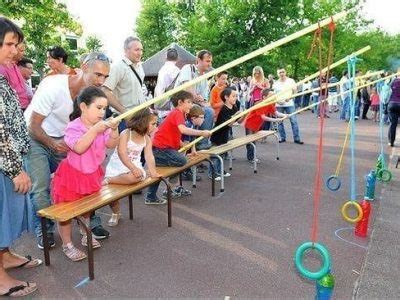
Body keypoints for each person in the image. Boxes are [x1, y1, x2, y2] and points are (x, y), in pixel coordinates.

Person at [25, 51, 112, 249]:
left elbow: (110, 100)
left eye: (105, 76)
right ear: (83, 67)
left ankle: (89, 225)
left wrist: (131, 114)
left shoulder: (94, 94)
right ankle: (45, 229)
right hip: (38, 136)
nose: (101, 80)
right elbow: (33, 125)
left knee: (83, 180)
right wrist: (52, 144)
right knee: (41, 188)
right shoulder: (54, 87)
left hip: (66, 139)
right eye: (98, 75)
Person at [51, 87, 119, 261]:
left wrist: (114, 130)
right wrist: (96, 130)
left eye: (104, 109)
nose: (102, 112)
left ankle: (85, 232)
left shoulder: (101, 127)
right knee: (66, 213)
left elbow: (111, 144)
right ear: (83, 106)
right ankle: (67, 244)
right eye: (98, 107)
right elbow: (79, 148)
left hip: (91, 175)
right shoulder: (73, 127)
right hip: (71, 176)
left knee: (87, 209)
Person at [0, 17, 39, 297]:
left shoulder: (3, 73)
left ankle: (5, 256)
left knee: (8, 216)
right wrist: (15, 169)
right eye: (10, 44)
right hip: (4, 163)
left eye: (16, 44)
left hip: (10, 158)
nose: (15, 50)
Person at [145, 91, 211, 203]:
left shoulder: (177, 114)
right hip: (161, 149)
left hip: (162, 149)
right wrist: (202, 133)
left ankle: (151, 196)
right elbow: (183, 130)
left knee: (170, 166)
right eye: (189, 102)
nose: (191, 105)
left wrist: (185, 146)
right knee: (182, 161)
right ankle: (167, 185)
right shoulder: (177, 113)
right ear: (180, 102)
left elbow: (175, 134)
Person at [103, 108, 160, 226]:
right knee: (113, 196)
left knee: (134, 178)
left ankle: (109, 180)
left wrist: (153, 171)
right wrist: (133, 168)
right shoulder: (126, 134)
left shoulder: (147, 138)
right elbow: (122, 153)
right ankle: (116, 213)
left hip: (134, 167)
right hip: (118, 165)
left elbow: (149, 156)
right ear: (143, 122)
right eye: (153, 123)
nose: (156, 126)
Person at [174, 49, 214, 150]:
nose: (210, 64)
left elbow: (203, 99)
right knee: (208, 112)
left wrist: (204, 102)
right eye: (207, 61)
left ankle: (197, 144)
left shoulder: (204, 78)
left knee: (209, 111)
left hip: (192, 105)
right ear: (198, 60)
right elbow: (188, 90)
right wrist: (199, 98)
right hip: (181, 104)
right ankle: (202, 143)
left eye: (211, 61)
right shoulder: (188, 68)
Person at [103, 36, 145, 131]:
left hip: (140, 117)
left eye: (141, 50)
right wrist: (125, 112)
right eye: (137, 50)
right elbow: (105, 91)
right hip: (124, 120)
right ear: (126, 50)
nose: (140, 53)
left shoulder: (140, 66)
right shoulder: (118, 67)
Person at [244, 88, 288, 162]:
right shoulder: (259, 104)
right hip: (250, 124)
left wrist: (286, 115)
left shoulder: (270, 104)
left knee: (253, 140)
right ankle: (251, 158)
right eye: (271, 95)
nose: (273, 97)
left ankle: (252, 157)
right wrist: (277, 120)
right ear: (264, 97)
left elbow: (276, 113)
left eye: (273, 95)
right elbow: (263, 117)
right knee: (250, 141)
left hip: (256, 125)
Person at [209, 87, 240, 180]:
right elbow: (229, 123)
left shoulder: (234, 106)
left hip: (225, 135)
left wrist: (243, 115)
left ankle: (219, 170)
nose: (235, 98)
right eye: (233, 96)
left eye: (236, 96)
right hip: (217, 135)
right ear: (226, 97)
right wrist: (236, 115)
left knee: (222, 154)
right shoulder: (224, 109)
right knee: (215, 155)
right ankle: (212, 173)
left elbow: (238, 121)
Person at [274, 68, 304, 144]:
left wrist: (290, 98)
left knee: (293, 121)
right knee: (280, 122)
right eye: (280, 72)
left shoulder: (291, 81)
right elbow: (274, 95)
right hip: (279, 104)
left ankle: (297, 138)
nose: (281, 74)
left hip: (289, 103)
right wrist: (277, 101)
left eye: (283, 72)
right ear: (278, 74)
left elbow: (295, 91)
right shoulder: (276, 83)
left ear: (285, 72)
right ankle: (282, 137)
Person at [0, 41, 31, 110]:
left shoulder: (15, 66)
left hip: (25, 108)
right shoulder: (3, 68)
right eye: (21, 50)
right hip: (15, 110)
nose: (24, 53)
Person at [154, 47, 180, 118]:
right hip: (174, 107)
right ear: (177, 58)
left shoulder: (162, 70)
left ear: (166, 58)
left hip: (164, 109)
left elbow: (159, 89)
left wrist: (158, 104)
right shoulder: (178, 70)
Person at [387, 73, 400, 147]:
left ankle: (391, 141)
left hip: (392, 104)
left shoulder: (393, 81)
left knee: (393, 124)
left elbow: (387, 90)